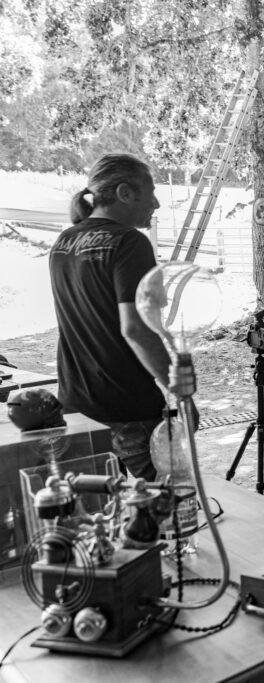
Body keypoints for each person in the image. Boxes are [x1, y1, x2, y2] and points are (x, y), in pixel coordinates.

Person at [49, 153, 171, 481]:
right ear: (124, 193)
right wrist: (177, 388)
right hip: (128, 405)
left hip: (76, 404)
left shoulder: (65, 241)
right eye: (151, 193)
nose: (156, 204)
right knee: (165, 501)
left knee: (99, 503)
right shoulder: (130, 242)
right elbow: (136, 329)